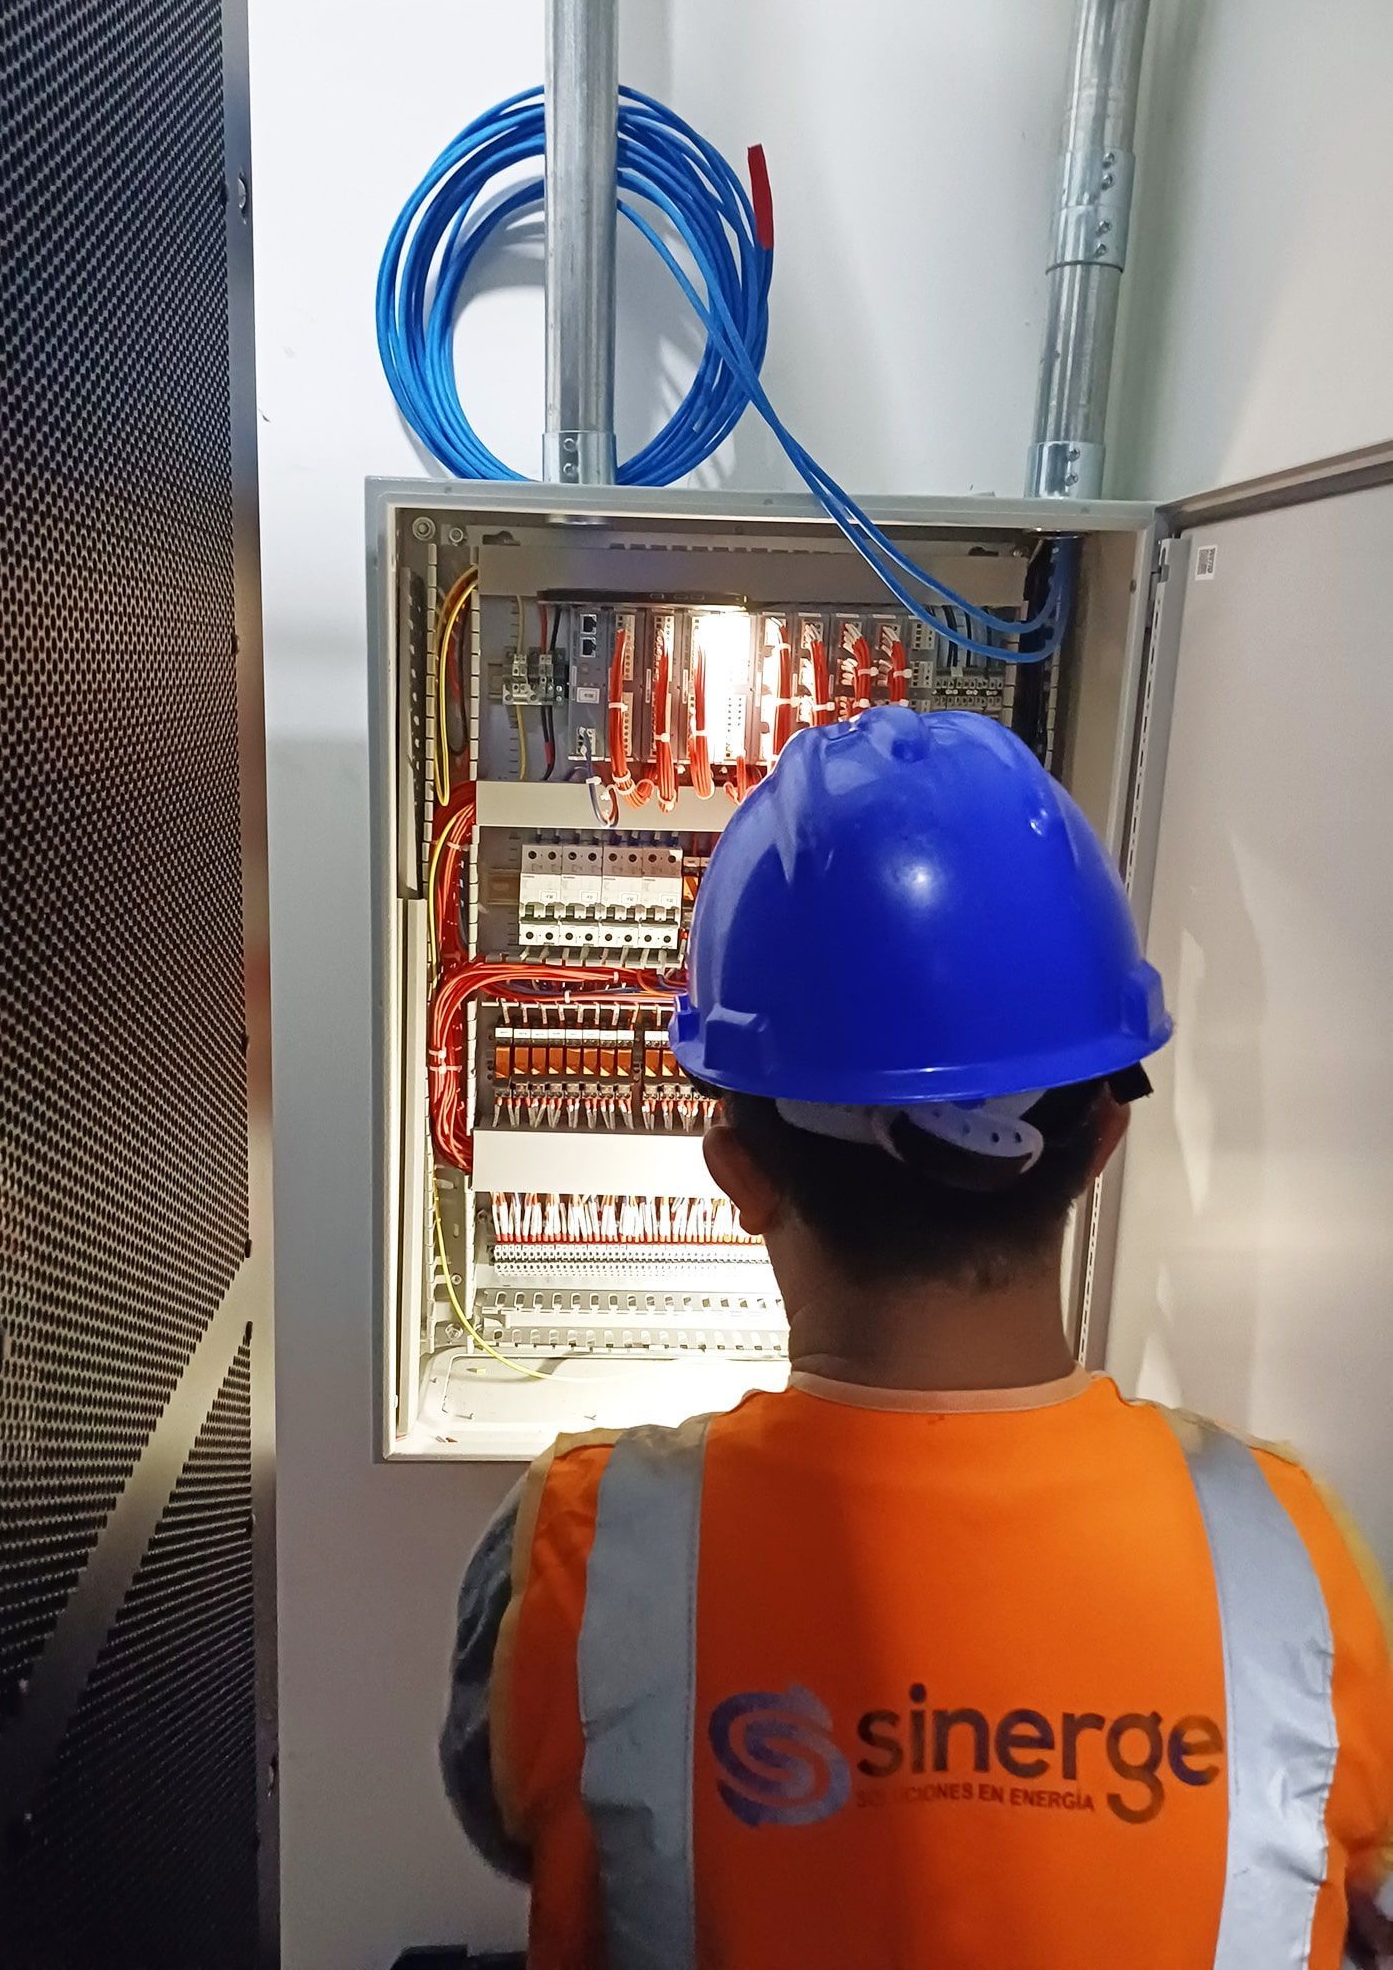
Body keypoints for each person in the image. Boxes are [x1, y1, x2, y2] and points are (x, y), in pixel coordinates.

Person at [441, 706, 1393, 1970]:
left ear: (737, 1172)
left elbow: (506, 1815)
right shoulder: (1298, 1558)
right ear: (1101, 1145)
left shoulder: (579, 1551)